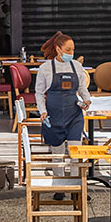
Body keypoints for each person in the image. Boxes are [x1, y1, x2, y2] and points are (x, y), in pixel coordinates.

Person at [35, 32, 91, 200]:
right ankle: (59, 187)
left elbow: (81, 88)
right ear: (58, 49)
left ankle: (76, 188)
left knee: (75, 152)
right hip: (53, 116)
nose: (71, 52)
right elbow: (38, 93)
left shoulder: (76, 66)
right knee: (57, 154)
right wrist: (42, 111)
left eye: (73, 49)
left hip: (74, 115)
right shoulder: (45, 68)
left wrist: (87, 99)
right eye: (68, 49)